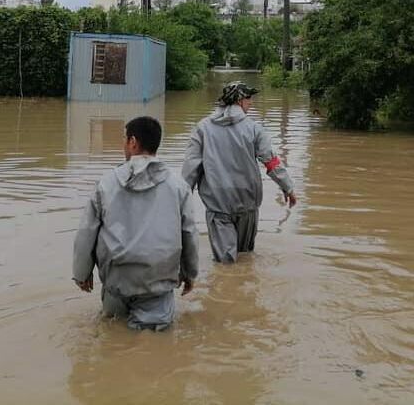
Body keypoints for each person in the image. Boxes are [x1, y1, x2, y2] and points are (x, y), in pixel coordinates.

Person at [72, 116, 199, 331]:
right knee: (154, 350)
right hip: (156, 287)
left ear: (132, 142)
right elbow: (189, 233)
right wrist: (190, 273)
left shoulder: (106, 183)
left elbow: (87, 232)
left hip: (116, 284)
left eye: (124, 139)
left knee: (112, 339)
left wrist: (82, 274)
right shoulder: (178, 186)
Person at [182, 81, 297, 263]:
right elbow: (271, 162)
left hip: (218, 204)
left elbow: (191, 167)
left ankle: (225, 289)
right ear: (239, 101)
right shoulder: (254, 128)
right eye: (249, 98)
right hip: (248, 204)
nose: (251, 102)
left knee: (225, 264)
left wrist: (181, 199)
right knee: (245, 257)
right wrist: (287, 187)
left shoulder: (203, 128)